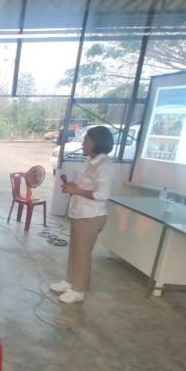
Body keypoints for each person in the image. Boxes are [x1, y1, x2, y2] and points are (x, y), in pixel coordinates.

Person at [50, 125, 115, 303]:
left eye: (86, 140)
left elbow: (103, 194)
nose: (83, 143)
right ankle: (70, 281)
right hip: (79, 214)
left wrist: (76, 190)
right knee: (74, 250)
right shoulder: (90, 161)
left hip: (91, 216)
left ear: (97, 143)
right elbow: (83, 186)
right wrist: (72, 186)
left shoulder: (104, 165)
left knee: (82, 254)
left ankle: (79, 290)